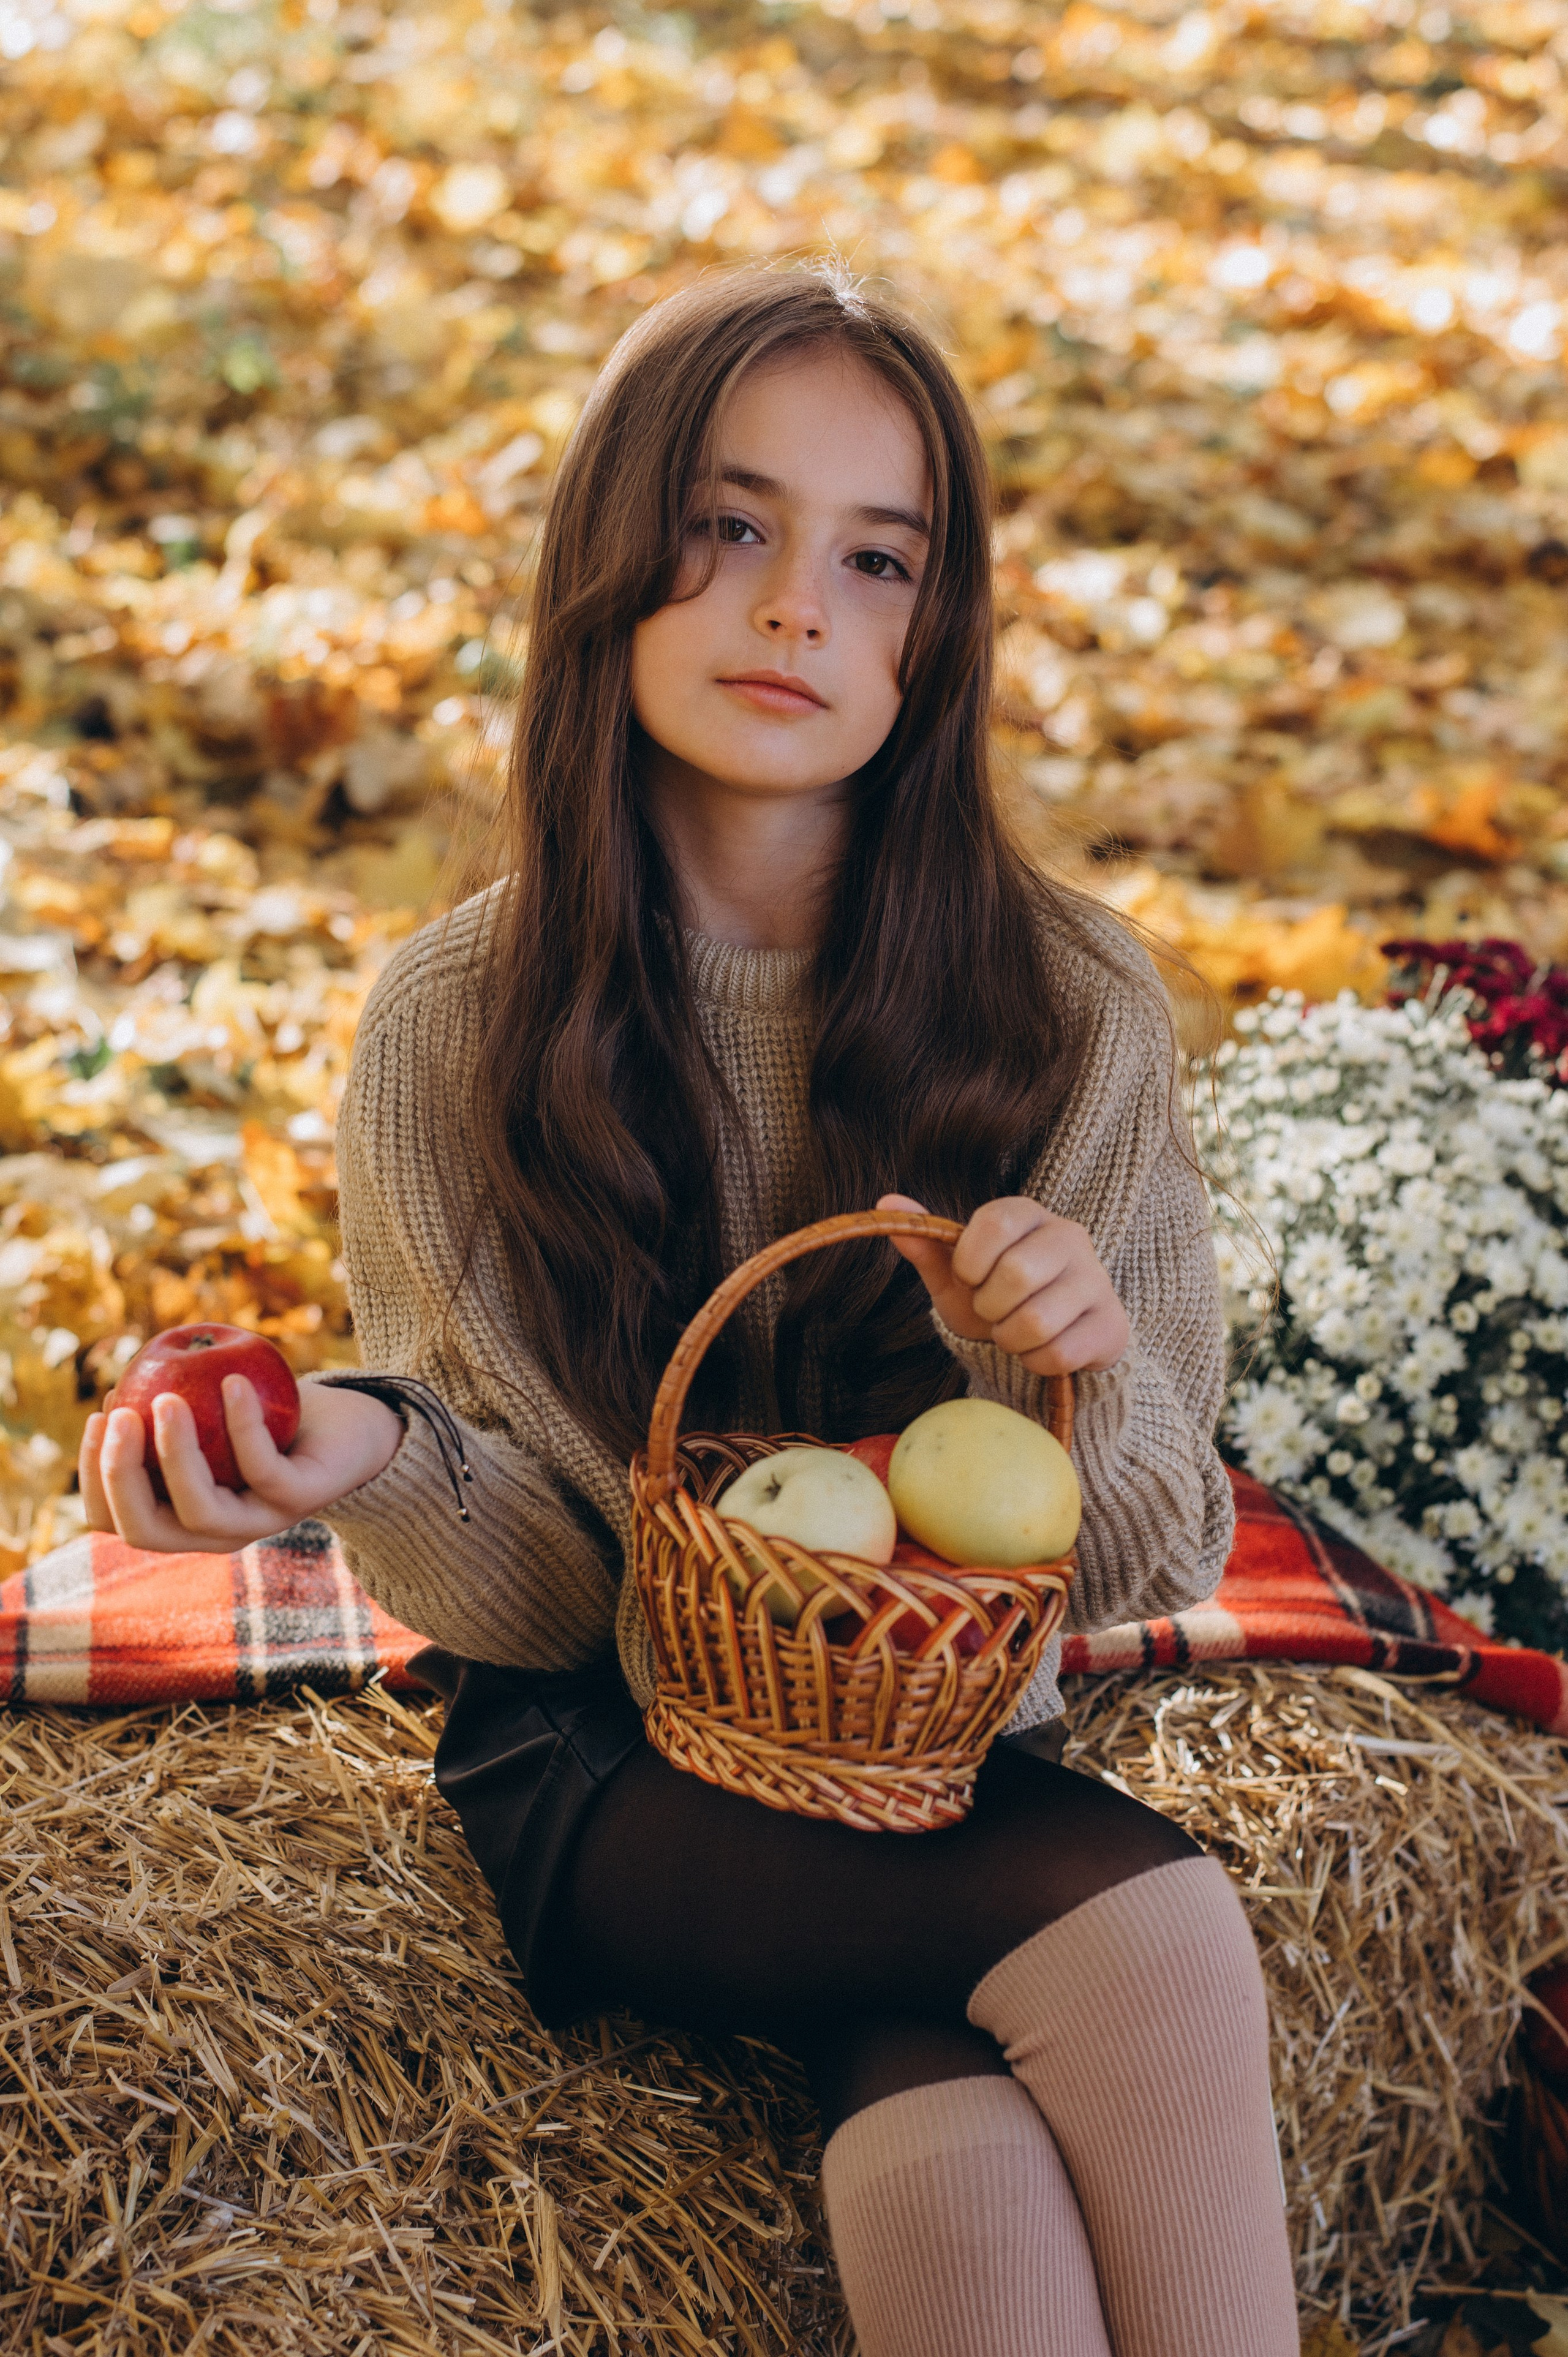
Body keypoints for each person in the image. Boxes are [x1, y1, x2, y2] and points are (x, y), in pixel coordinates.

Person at [80, 266, 1297, 2356]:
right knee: (1161, 1934)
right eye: (730, 527)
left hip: (932, 1767)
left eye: (875, 556)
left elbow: (1153, 1554)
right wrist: (363, 1451)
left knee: (963, 2144)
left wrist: (1065, 1360)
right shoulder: (457, 1023)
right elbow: (553, 1596)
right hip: (614, 1768)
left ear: (940, 626)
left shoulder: (1067, 1003)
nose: (795, 605)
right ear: (611, 562)